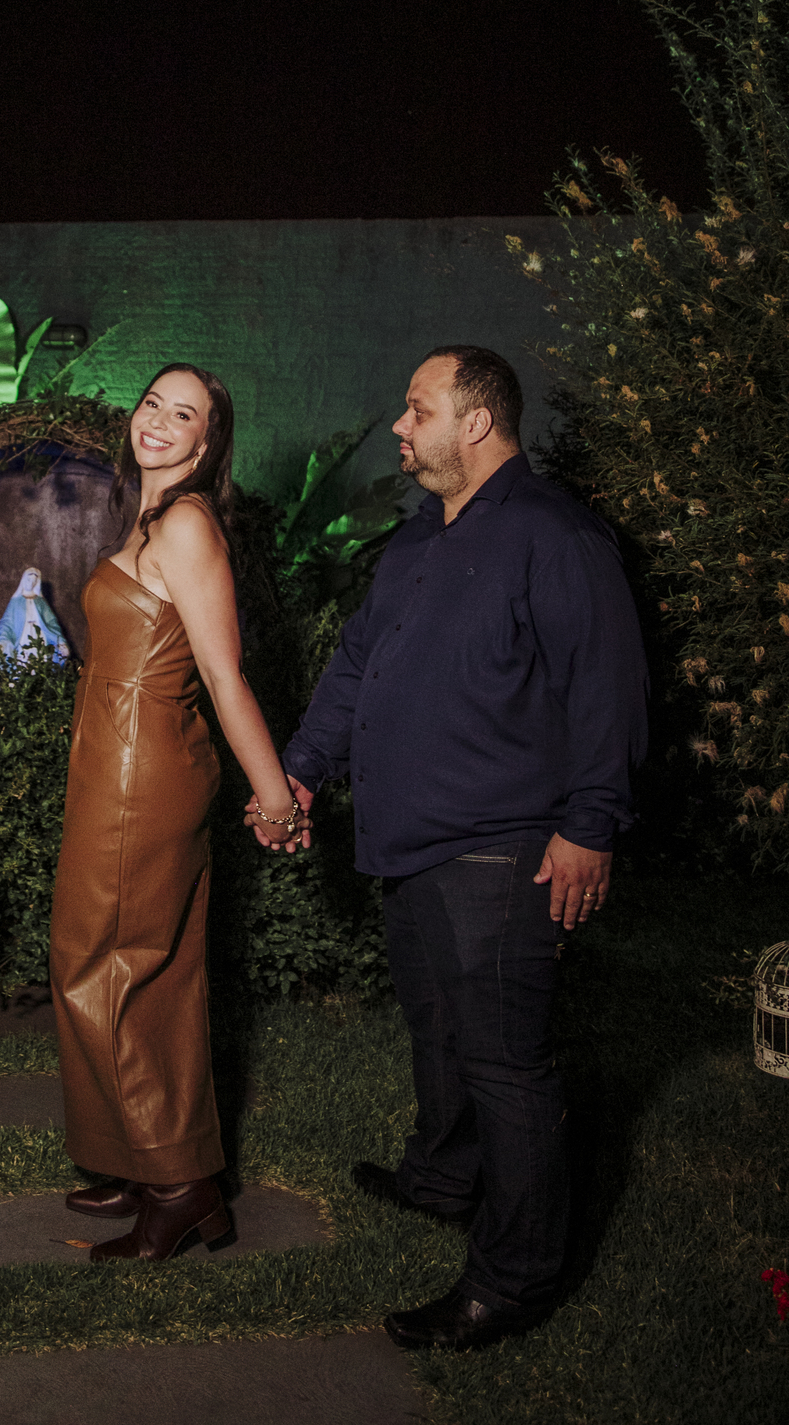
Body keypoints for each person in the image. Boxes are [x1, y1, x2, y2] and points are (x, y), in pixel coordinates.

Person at [254, 345, 647, 1349]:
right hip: (410, 837)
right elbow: (357, 664)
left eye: (417, 408)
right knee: (437, 1027)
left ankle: (514, 1279)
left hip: (501, 846)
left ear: (476, 422)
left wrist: (589, 826)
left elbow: (606, 688)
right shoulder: (419, 538)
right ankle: (442, 1178)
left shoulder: (555, 535)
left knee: (507, 1061)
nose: (399, 425)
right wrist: (302, 770)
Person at [50, 362, 309, 1262]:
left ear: (207, 443)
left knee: (109, 965)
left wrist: (276, 799)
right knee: (137, 963)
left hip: (141, 770)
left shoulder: (189, 523)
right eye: (152, 403)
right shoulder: (151, 513)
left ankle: (179, 1186)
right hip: (118, 755)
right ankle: (144, 1156)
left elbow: (224, 675)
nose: (157, 420)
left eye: (184, 414)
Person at [0, 566, 70, 667]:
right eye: (29, 580)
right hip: (22, 640)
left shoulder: (41, 602)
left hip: (41, 639)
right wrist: (3, 640)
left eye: (34, 581)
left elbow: (52, 622)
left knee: (43, 663)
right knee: (21, 663)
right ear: (24, 580)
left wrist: (60, 641)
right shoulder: (15, 602)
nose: (31, 583)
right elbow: (7, 623)